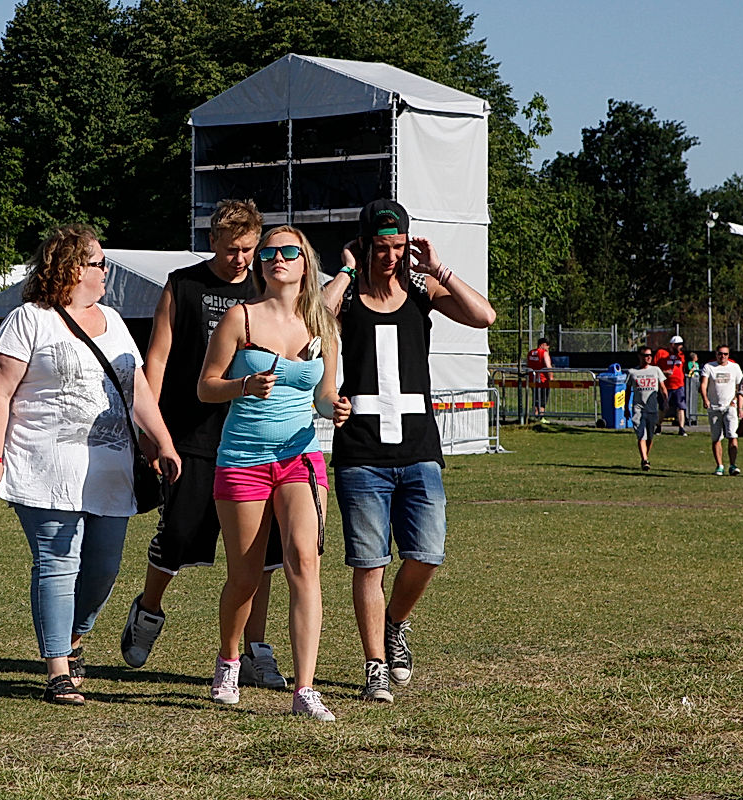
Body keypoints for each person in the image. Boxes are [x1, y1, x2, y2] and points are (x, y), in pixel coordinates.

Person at [0, 224, 182, 706]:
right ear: (72, 268)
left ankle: (72, 636)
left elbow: (137, 390)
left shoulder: (112, 319)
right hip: (42, 465)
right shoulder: (30, 319)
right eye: (99, 263)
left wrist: (163, 443)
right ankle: (58, 670)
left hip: (109, 471)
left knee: (104, 568)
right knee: (57, 562)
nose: (105, 271)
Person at [323, 199, 495, 703]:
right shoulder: (348, 295)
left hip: (419, 450)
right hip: (362, 455)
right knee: (369, 562)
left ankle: (397, 623)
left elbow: (483, 315)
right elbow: (310, 320)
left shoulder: (421, 291)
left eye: (398, 246)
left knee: (427, 554)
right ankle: (375, 662)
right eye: (381, 247)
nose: (391, 256)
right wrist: (344, 271)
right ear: (364, 245)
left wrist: (437, 266)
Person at [120, 199, 288, 689]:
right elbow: (158, 359)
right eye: (233, 249)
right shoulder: (183, 284)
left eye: (250, 249)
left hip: (254, 438)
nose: (242, 259)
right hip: (190, 437)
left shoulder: (266, 288)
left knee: (262, 553)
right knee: (177, 538)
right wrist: (153, 434)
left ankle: (255, 650)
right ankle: (148, 611)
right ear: (212, 241)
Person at [198, 225, 350, 721]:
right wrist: (244, 384)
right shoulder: (239, 318)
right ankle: (228, 660)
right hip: (242, 459)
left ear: (305, 262)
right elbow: (206, 387)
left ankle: (305, 689)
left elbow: (323, 394)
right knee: (243, 578)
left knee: (305, 564)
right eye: (268, 253)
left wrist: (335, 408)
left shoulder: (323, 325)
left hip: (300, 457)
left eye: (287, 252)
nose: (275, 259)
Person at [700, 346, 743, 475]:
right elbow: (703, 384)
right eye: (720, 354)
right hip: (714, 407)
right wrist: (705, 399)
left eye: (725, 354)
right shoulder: (709, 367)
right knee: (716, 437)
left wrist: (735, 400)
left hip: (730, 406)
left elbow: (740, 386)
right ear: (716, 354)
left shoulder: (734, 367)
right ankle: (719, 465)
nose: (723, 356)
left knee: (732, 435)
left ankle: (733, 465)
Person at [625, 346, 668, 471]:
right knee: (641, 435)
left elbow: (663, 387)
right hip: (638, 409)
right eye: (645, 355)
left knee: (649, 437)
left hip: (652, 409)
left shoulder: (656, 370)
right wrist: (626, 407)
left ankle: (645, 457)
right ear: (639, 356)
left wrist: (665, 401)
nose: (648, 357)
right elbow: (628, 391)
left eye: (650, 355)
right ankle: (644, 459)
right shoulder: (632, 372)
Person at [654, 335, 688, 435]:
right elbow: (654, 368)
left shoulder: (681, 355)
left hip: (679, 385)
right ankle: (658, 426)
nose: (680, 347)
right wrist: (664, 372)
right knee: (663, 407)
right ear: (672, 345)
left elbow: (683, 367)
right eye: (677, 345)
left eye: (681, 345)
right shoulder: (661, 353)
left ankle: (681, 428)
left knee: (681, 406)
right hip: (665, 385)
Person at [527, 337, 552, 417]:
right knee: (542, 400)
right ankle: (541, 417)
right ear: (543, 345)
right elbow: (548, 366)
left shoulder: (530, 352)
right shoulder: (544, 353)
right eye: (547, 345)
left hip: (532, 379)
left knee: (535, 398)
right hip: (542, 380)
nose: (548, 348)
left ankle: (535, 415)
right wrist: (551, 377)